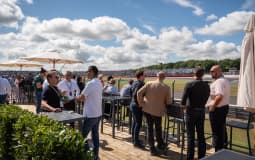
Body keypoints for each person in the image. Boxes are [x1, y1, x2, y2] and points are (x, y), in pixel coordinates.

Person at [137, 71, 171, 156]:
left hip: (147, 110)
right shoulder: (166, 87)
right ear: (164, 77)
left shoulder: (149, 83)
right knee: (158, 128)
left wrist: (141, 103)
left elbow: (139, 93)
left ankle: (152, 148)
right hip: (157, 111)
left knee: (150, 128)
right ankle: (159, 144)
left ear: (157, 76)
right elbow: (169, 102)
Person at [181, 67, 210, 160]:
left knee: (191, 136)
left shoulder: (189, 84)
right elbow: (207, 97)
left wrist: (186, 108)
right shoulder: (206, 85)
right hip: (201, 111)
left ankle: (190, 157)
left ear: (194, 74)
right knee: (201, 134)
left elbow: (183, 101)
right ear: (203, 75)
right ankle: (202, 156)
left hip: (191, 111)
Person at [76, 65, 103, 160]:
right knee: (95, 135)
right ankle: (95, 155)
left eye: (87, 71)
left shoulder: (91, 83)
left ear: (92, 72)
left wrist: (76, 97)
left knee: (82, 136)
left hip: (90, 114)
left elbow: (82, 97)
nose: (86, 73)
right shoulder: (99, 82)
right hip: (98, 113)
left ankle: (85, 155)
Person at [207, 65, 230, 152]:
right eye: (210, 71)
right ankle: (224, 149)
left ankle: (218, 152)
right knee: (222, 130)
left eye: (213, 71)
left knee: (216, 132)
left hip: (217, 109)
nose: (211, 73)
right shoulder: (224, 80)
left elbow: (219, 96)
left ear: (219, 71)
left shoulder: (219, 82)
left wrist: (213, 107)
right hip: (223, 108)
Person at [130, 70, 145, 149]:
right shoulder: (140, 83)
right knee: (138, 123)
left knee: (135, 122)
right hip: (136, 106)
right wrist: (139, 104)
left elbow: (131, 92)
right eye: (144, 75)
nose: (145, 77)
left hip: (132, 104)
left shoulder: (134, 83)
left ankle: (134, 139)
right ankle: (136, 142)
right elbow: (136, 94)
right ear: (141, 76)